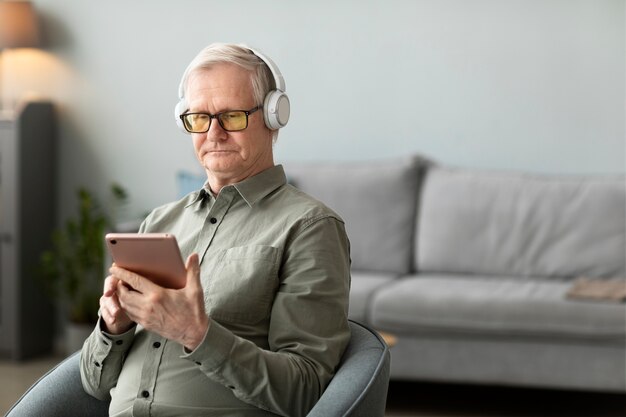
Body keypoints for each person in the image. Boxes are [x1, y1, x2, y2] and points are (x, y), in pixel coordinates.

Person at [79, 43, 351, 417]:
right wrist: (113, 326)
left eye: (232, 116)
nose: (214, 132)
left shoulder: (310, 228)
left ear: (273, 116)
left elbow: (306, 392)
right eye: (199, 118)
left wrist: (197, 334)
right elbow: (93, 385)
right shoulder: (158, 222)